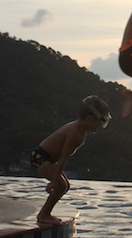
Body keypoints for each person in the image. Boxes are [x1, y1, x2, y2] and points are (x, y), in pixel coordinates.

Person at [30, 95, 111, 225]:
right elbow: (63, 157)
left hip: (49, 158)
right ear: (89, 118)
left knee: (65, 186)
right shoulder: (74, 132)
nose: (101, 126)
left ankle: (45, 213)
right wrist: (54, 181)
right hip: (40, 157)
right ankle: (43, 215)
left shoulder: (81, 132)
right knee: (61, 185)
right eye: (101, 121)